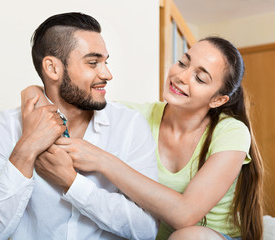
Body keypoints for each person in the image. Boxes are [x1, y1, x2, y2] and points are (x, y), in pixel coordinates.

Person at [23, 37, 264, 240]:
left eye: (200, 78)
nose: (181, 76)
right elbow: (74, 104)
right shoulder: (135, 117)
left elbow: (185, 215)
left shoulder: (231, 131)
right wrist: (37, 92)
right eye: (182, 63)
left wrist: (103, 161)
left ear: (217, 100)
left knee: (189, 236)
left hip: (209, 237)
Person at [0, 12, 159, 240]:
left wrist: (72, 182)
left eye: (105, 62)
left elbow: (147, 230)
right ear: (52, 68)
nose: (107, 74)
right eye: (93, 63)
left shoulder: (129, 126)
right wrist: (26, 149)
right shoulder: (6, 127)